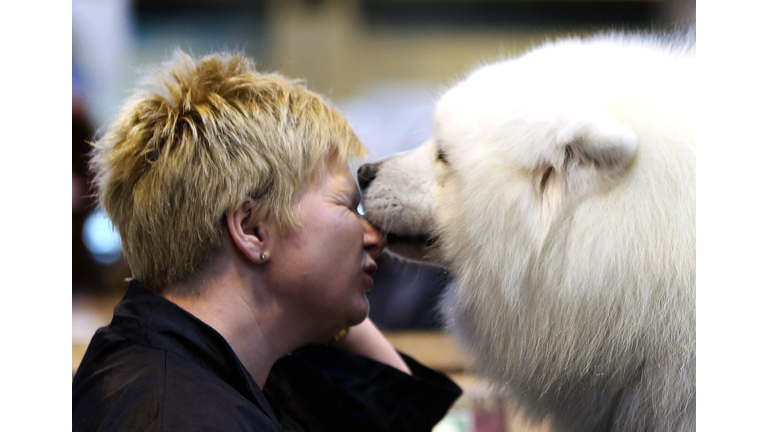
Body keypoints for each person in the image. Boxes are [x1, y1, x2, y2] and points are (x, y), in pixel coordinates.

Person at [72, 51, 461, 432]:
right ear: (252, 228)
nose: (376, 238)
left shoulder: (227, 367)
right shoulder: (180, 415)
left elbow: (392, 414)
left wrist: (331, 306)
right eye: (347, 205)